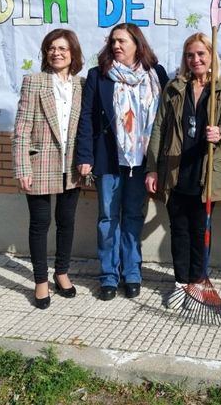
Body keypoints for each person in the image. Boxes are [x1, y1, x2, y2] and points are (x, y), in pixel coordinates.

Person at [76, 23, 168, 301]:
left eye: (122, 41)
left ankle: (132, 272)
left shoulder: (156, 75)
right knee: (107, 218)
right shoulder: (98, 76)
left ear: (137, 44)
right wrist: (85, 156)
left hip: (142, 161)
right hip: (109, 159)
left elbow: (165, 120)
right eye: (113, 41)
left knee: (132, 216)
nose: (116, 46)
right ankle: (107, 275)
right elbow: (87, 119)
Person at [145, 33, 221, 288]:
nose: (195, 59)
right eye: (190, 55)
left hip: (205, 173)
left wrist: (220, 134)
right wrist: (152, 169)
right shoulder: (174, 88)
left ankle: (198, 281)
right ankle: (181, 283)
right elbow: (159, 128)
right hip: (175, 171)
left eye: (201, 54)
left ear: (210, 55)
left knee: (200, 231)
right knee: (179, 230)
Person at [12, 28, 85, 310]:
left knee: (67, 221)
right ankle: (40, 281)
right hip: (40, 163)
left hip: (72, 164)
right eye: (52, 48)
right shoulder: (34, 82)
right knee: (40, 224)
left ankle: (62, 272)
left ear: (73, 54)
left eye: (63, 49)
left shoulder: (82, 84)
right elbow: (21, 129)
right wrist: (22, 167)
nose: (57, 53)